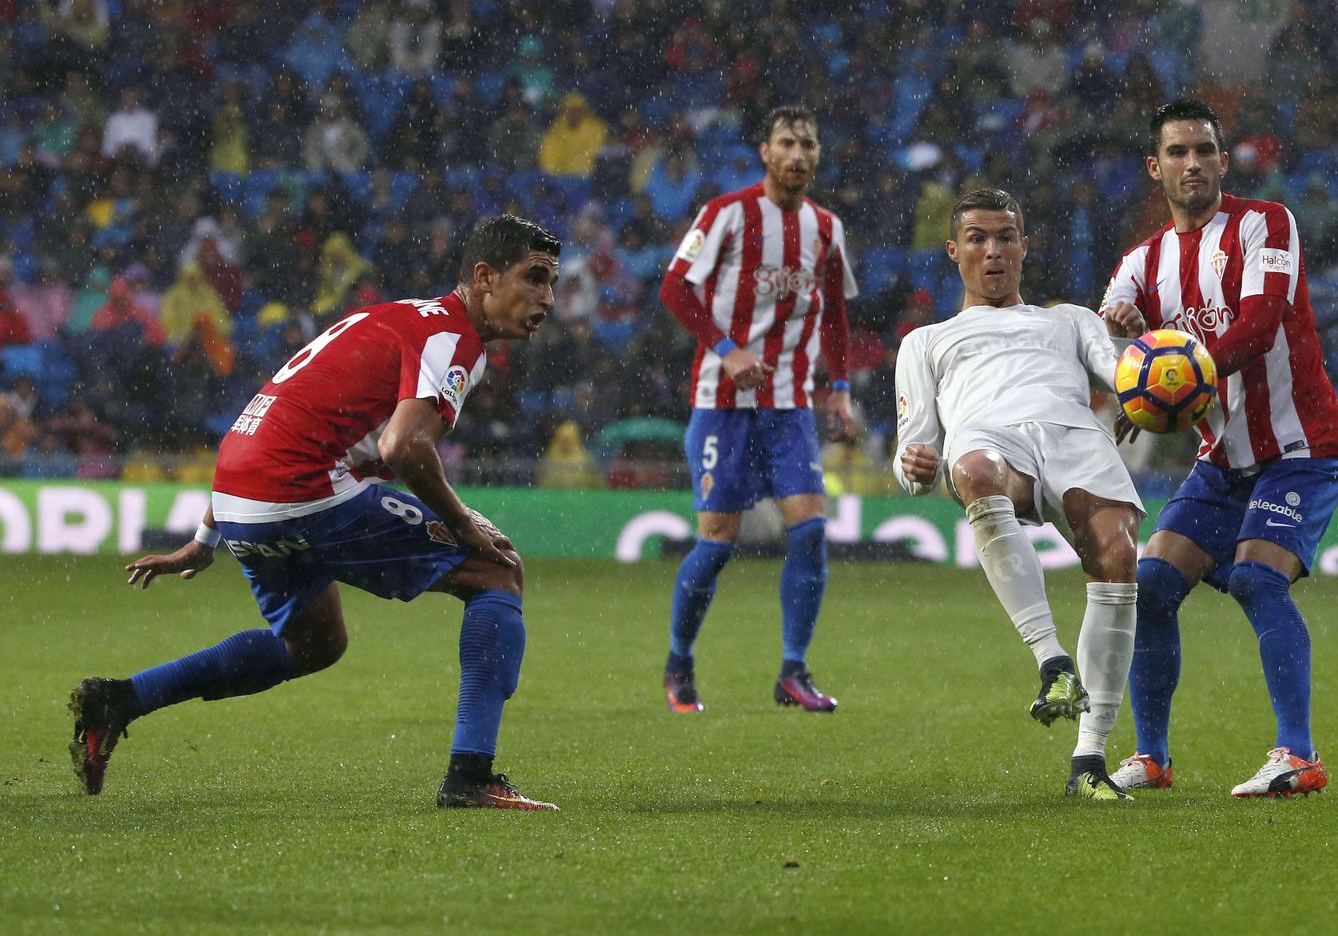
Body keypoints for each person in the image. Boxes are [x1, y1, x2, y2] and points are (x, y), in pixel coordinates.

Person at [70, 214, 565, 811]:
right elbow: (403, 446)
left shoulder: (393, 318)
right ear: (484, 277)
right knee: (496, 571)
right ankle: (471, 777)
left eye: (551, 282)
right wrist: (463, 522)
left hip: (241, 491)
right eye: (534, 277)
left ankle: (119, 699)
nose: (548, 298)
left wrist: (206, 536)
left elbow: (277, 415)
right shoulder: (451, 337)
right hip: (301, 488)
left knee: (314, 643)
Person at [1101, 98, 1338, 798]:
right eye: (1177, 152)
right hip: (1223, 461)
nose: (1193, 163)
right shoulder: (1141, 264)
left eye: (1204, 150)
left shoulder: (1266, 224)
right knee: (1151, 584)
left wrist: (1170, 377)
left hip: (1301, 448)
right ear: (1155, 168)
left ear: (1222, 159)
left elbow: (1261, 325)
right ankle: (1152, 758)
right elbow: (1109, 348)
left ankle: (1298, 755)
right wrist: (1121, 344)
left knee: (1256, 579)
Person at [894, 188, 1142, 802]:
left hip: (1073, 433)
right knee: (973, 470)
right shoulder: (926, 341)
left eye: (1005, 237)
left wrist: (1134, 342)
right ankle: (1052, 661)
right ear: (953, 251)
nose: (993, 250)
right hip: (990, 436)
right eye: (977, 238)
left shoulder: (1070, 320)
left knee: (1118, 556)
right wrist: (913, 467)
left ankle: (1089, 760)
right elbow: (914, 452)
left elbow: (1131, 379)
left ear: (1025, 247)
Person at [657, 105, 856, 714]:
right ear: (765, 152)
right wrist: (727, 350)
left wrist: (839, 386)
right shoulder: (727, 214)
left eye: (808, 144)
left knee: (812, 529)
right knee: (718, 543)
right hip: (722, 402)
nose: (798, 154)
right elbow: (674, 287)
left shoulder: (826, 228)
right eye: (787, 143)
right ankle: (679, 660)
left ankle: (793, 671)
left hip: (789, 404)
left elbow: (835, 312)